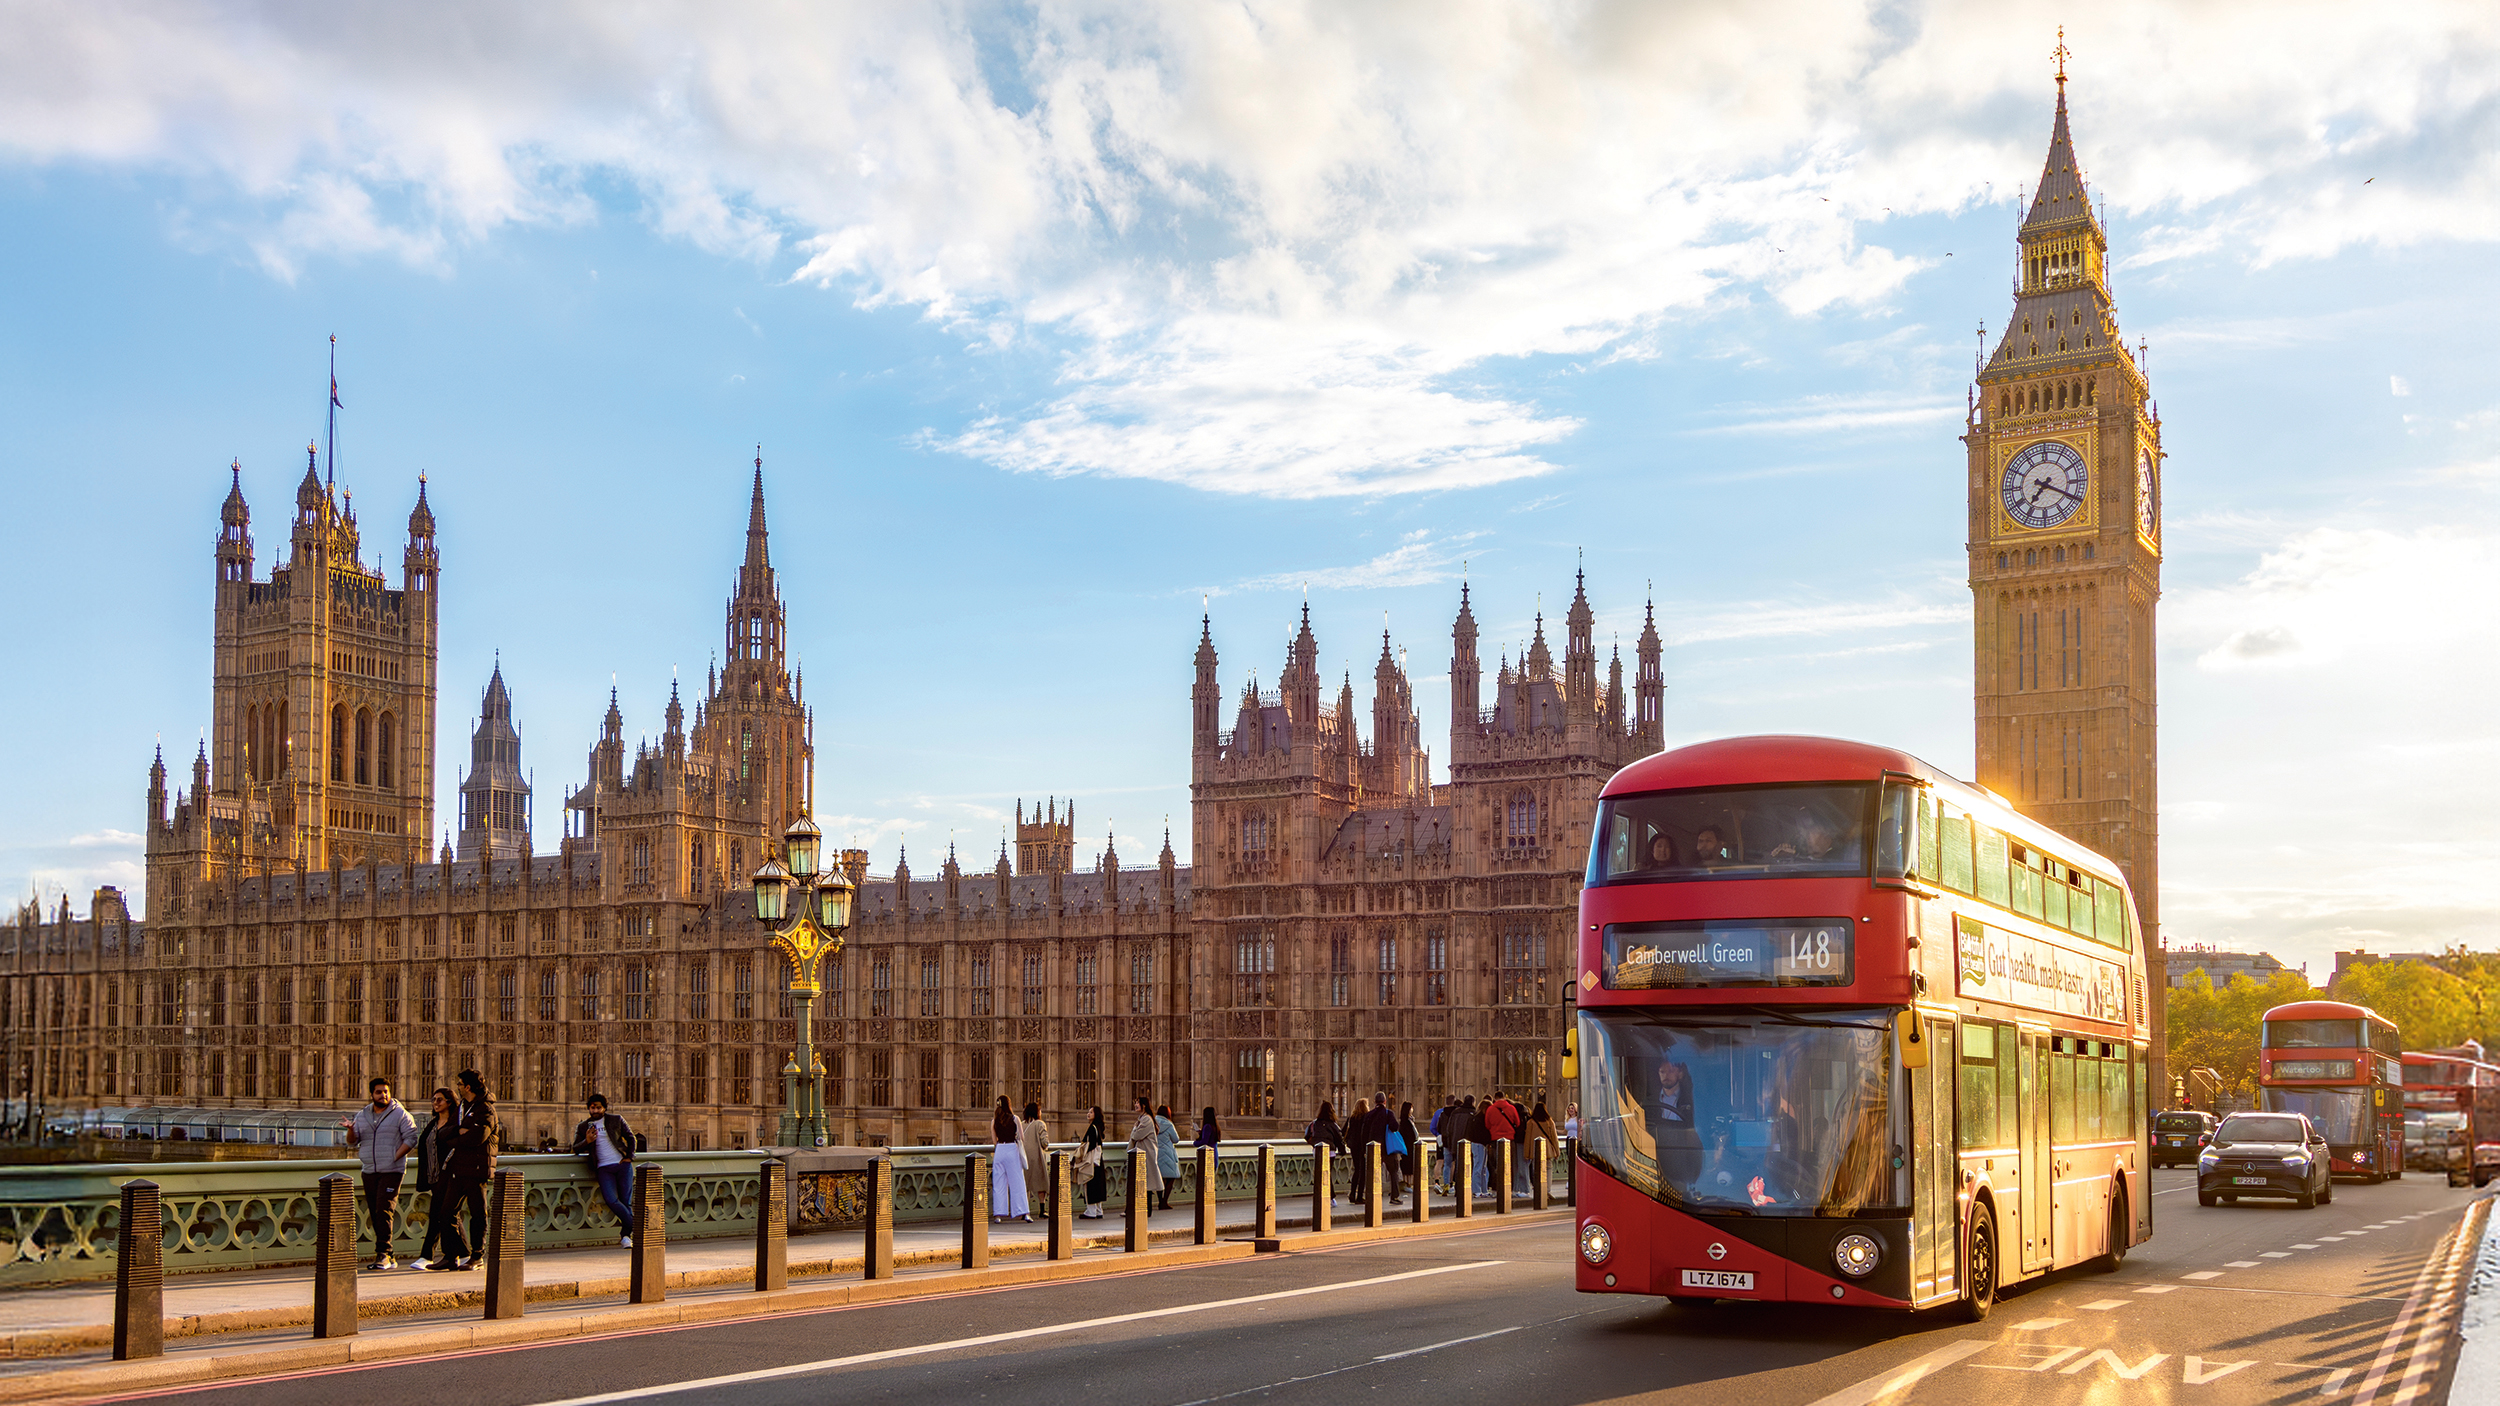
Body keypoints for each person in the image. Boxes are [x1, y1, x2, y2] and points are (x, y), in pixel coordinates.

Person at [347, 1077, 417, 1271]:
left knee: (384, 1209)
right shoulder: (362, 1115)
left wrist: (394, 1157)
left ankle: (383, 1254)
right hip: (369, 1170)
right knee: (375, 1212)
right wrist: (351, 1130)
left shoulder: (400, 1114)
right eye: (379, 1092)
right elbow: (352, 1141)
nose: (384, 1095)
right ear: (372, 1094)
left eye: (386, 1091)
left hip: (392, 1171)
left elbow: (411, 1138)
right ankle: (389, 1255)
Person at [441, 1069, 498, 1267]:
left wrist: (455, 1138)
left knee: (478, 1214)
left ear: (467, 1087)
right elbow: (443, 1132)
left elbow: (478, 1138)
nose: (457, 1087)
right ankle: (452, 1255)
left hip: (477, 1168)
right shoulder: (463, 1107)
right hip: (458, 1168)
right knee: (447, 1212)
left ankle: (477, 1255)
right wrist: (459, 1131)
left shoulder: (486, 1109)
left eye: (459, 1084)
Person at [409, 1088, 466, 1271]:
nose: (435, 1103)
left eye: (439, 1099)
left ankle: (426, 1256)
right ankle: (465, 1255)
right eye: (433, 1099)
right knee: (450, 1216)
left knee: (437, 1215)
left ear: (450, 1101)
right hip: (434, 1177)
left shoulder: (456, 1123)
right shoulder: (433, 1124)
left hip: (450, 1176)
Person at [570, 1092, 637, 1247]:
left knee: (626, 1202)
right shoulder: (583, 1127)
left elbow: (631, 1137)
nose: (595, 1111)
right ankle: (636, 1225)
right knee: (611, 1200)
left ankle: (626, 1237)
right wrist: (587, 1141)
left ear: (604, 1108)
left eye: (598, 1108)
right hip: (603, 1168)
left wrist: (630, 1157)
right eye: (592, 1108)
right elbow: (575, 1148)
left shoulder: (616, 1119)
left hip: (622, 1165)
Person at [989, 1097, 1029, 1222]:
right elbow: (1021, 1138)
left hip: (1000, 1149)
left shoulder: (994, 1121)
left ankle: (998, 1214)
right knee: (1017, 1182)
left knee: (999, 1183)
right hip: (1012, 1149)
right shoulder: (1015, 1119)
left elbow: (994, 1140)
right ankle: (1022, 1212)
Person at [1126, 1097, 1165, 1217]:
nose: (1135, 1105)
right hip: (1143, 1155)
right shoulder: (1143, 1119)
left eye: (1138, 1103)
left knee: (1146, 1184)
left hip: (1146, 1155)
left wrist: (1134, 1129)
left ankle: (1146, 1211)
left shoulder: (1146, 1119)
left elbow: (1137, 1135)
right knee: (1143, 1184)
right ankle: (1142, 1210)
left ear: (1144, 1105)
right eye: (1135, 1102)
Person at [1305, 1101, 1346, 1200]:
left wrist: (1314, 1144)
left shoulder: (1314, 1123)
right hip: (1330, 1152)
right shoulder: (1332, 1124)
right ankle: (1331, 1197)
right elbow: (1339, 1139)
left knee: (1320, 1173)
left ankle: (1319, 1196)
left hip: (1317, 1150)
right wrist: (1342, 1150)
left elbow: (1307, 1135)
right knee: (1327, 1173)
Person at [1018, 1102, 1051, 1216]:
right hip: (1036, 1157)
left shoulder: (1021, 1125)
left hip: (1024, 1158)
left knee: (1025, 1184)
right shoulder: (1040, 1124)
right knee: (1040, 1183)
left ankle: (1025, 1212)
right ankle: (1042, 1210)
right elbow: (1045, 1142)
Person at [1077, 1108, 1108, 1219]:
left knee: (1090, 1183)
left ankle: (1091, 1211)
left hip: (1092, 1161)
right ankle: (1098, 1210)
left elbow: (1090, 1145)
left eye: (1091, 1112)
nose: (1088, 1114)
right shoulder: (1098, 1127)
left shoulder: (1092, 1128)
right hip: (1098, 1160)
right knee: (1098, 1184)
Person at [1388, 1100, 1418, 1205]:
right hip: (1407, 1146)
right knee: (1407, 1165)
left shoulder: (1411, 1120)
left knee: (1411, 1165)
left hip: (1412, 1146)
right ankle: (1407, 1184)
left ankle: (1409, 1184)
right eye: (1411, 1107)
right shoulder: (1404, 1122)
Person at [1344, 1098, 1373, 1203]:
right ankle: (1360, 1196)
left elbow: (1344, 1131)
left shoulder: (1352, 1118)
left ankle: (1352, 1193)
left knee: (1357, 1170)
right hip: (1362, 1146)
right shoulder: (1366, 1118)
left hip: (1353, 1147)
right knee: (1363, 1171)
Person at [1153, 1104, 1181, 1211]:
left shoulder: (1153, 1122)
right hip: (1167, 1154)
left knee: (1159, 1178)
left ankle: (1160, 1201)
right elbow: (1176, 1139)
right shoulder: (1169, 1124)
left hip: (1156, 1153)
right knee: (1171, 1177)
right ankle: (1164, 1202)